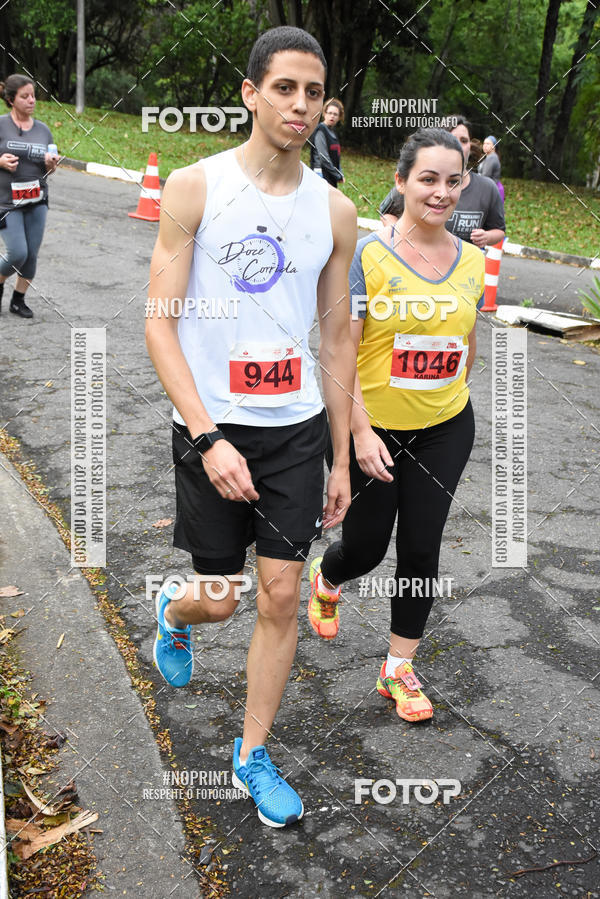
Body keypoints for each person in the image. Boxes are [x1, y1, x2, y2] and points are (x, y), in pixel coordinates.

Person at [145, 26, 357, 828]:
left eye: (313, 91)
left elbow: (336, 339)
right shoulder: (196, 188)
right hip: (211, 425)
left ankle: (251, 754)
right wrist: (208, 437)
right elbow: (159, 324)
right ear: (250, 93)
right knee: (223, 597)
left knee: (279, 593)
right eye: (284, 88)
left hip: (295, 428)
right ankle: (175, 611)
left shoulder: (335, 212)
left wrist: (340, 458)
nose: (300, 105)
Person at [308, 128, 484, 724]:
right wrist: (358, 432)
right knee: (365, 545)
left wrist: (444, 389)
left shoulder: (475, 261)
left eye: (452, 180)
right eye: (427, 179)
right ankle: (329, 578)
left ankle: (398, 668)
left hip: (445, 426)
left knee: (420, 544)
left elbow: (467, 342)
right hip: (374, 427)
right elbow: (343, 353)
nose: (440, 192)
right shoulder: (368, 255)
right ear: (401, 182)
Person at [379, 116, 505, 251]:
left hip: (463, 269)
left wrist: (487, 236)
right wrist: (398, 235)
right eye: (452, 139)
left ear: (470, 145)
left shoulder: (487, 188)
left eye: (464, 141)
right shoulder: (417, 182)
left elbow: (499, 230)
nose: (443, 194)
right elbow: (386, 213)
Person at [0, 74, 59, 318]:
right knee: (18, 253)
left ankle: (18, 300)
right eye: (25, 96)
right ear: (12, 99)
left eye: (33, 95)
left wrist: (50, 163)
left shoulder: (43, 131)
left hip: (37, 200)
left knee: (31, 254)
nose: (31, 100)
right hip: (7, 202)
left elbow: (51, 166)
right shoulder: (1, 125)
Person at [309, 98, 344, 187]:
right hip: (320, 174)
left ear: (339, 117)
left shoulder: (333, 133)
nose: (332, 116)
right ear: (324, 114)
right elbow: (323, 158)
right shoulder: (321, 130)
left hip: (330, 175)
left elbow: (336, 156)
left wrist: (340, 173)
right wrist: (337, 175)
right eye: (330, 113)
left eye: (335, 114)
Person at [478, 134, 504, 203]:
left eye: (488, 144)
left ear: (494, 146)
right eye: (484, 143)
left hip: (491, 191)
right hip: (489, 189)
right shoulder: (489, 157)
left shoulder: (492, 158)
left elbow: (485, 176)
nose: (485, 145)